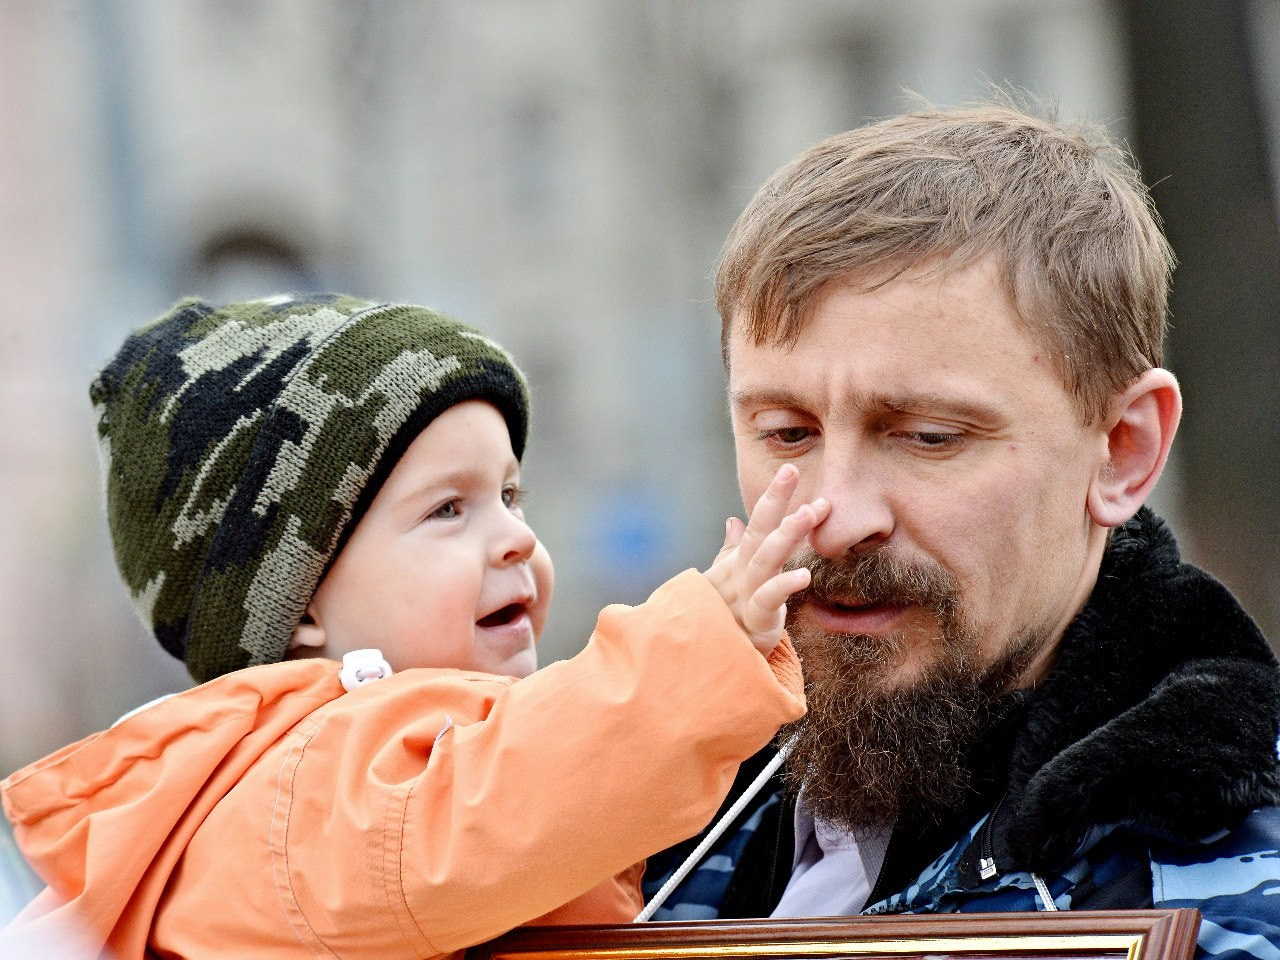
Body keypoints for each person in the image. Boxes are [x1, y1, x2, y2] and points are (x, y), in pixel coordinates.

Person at [639, 101, 1280, 960]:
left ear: (1123, 450)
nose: (835, 520)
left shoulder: (1240, 887)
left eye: (928, 437)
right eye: (786, 431)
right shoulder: (633, 820)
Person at [0, 293, 825, 959]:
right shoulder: (311, 786)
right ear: (304, 605)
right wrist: (705, 644)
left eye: (510, 495)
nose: (514, 537)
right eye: (447, 510)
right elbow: (506, 802)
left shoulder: (340, 765)